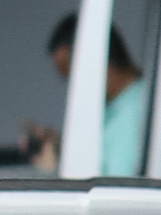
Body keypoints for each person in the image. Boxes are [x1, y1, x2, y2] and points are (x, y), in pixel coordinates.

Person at [42, 14, 151, 177]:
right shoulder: (118, 108)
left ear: (97, 61)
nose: (71, 89)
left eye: (71, 76)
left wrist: (51, 172)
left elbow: (116, 194)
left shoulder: (133, 113)